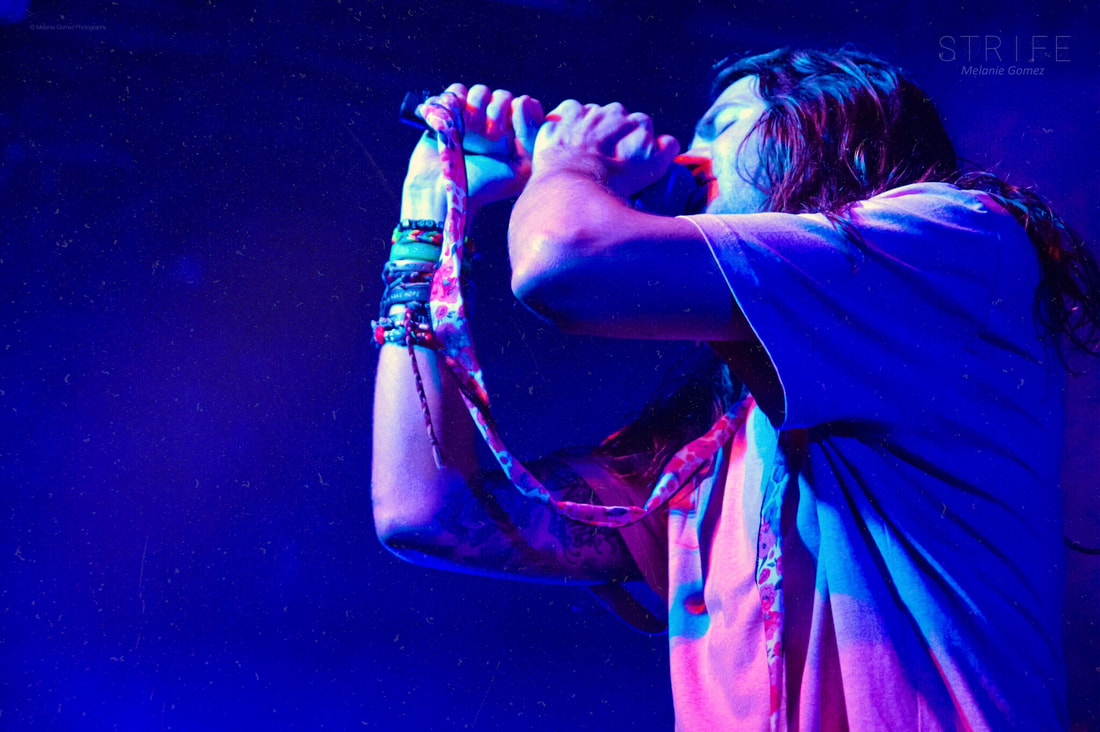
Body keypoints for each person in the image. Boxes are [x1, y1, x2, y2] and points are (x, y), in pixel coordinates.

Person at [370, 47, 1100, 730]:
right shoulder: (713, 441)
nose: (686, 155)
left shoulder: (954, 242)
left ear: (837, 133)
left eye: (718, 128)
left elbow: (561, 263)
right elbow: (427, 513)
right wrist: (428, 212)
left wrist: (573, 162)